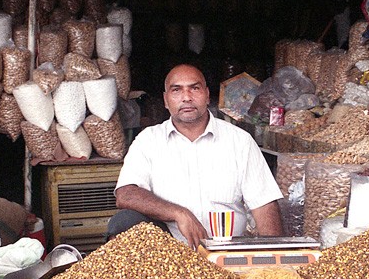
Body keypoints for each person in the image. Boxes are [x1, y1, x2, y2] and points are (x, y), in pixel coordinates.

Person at [108, 64, 283, 248]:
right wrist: (178, 213)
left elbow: (264, 205)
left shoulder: (239, 141)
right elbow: (126, 194)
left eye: (195, 88)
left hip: (226, 255)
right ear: (166, 100)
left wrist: (274, 263)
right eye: (176, 90)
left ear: (207, 95)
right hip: (167, 258)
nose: (186, 97)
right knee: (124, 221)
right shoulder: (148, 141)